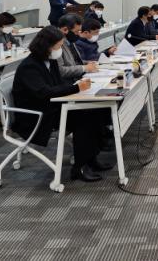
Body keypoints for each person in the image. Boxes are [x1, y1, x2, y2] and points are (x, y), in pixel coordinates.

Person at [11, 26, 112, 182]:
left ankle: (91, 159)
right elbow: (44, 92)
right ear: (46, 46)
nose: (60, 50)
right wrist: (76, 88)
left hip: (52, 107)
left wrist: (78, 87)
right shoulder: (29, 66)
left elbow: (58, 85)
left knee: (94, 111)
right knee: (84, 118)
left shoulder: (49, 62)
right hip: (36, 116)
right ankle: (80, 167)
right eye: (58, 46)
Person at [56, 14, 98, 81]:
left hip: (76, 78)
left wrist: (87, 63)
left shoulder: (70, 40)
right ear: (65, 29)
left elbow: (74, 62)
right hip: (67, 82)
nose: (78, 34)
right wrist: (84, 68)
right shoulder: (56, 44)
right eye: (76, 31)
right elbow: (61, 71)